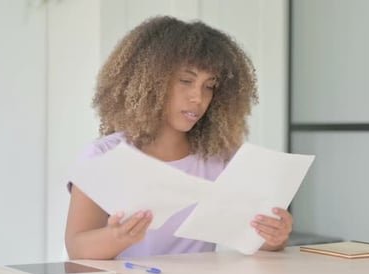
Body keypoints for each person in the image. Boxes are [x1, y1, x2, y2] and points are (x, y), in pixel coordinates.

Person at [65, 15, 293, 260]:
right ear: (149, 82)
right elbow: (77, 247)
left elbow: (254, 240)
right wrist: (118, 237)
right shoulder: (103, 156)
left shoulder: (221, 159)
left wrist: (273, 237)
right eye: (186, 81)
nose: (198, 97)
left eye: (210, 86)